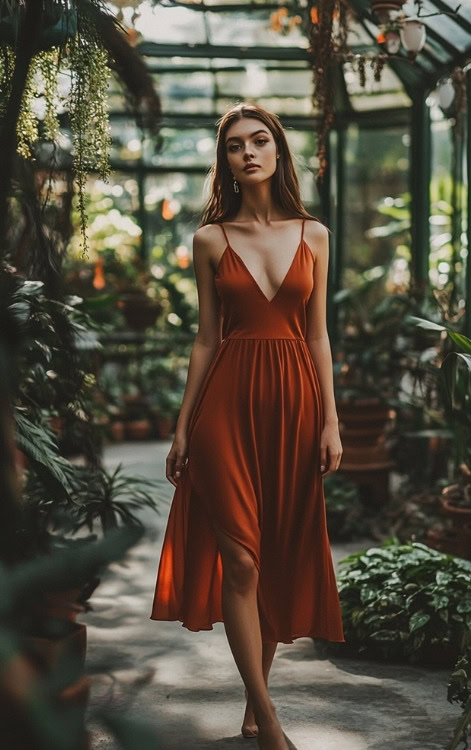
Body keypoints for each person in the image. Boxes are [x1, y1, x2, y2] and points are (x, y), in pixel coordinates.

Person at [150, 102, 345, 750]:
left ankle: (253, 706)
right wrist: (182, 429)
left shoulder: (313, 234)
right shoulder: (210, 238)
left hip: (293, 407)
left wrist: (330, 421)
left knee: (277, 557)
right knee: (240, 559)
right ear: (225, 161)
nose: (248, 153)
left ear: (278, 151)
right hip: (226, 409)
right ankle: (269, 721)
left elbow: (317, 335)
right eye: (235, 146)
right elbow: (206, 340)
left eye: (260, 141)